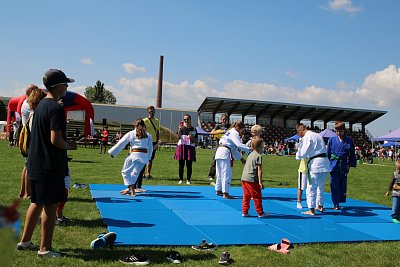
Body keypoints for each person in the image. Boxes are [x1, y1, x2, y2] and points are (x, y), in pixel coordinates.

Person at [17, 69, 77, 257]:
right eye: (66, 84)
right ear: (58, 86)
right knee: (50, 207)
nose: (67, 87)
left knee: (36, 203)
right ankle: (45, 249)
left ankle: (25, 241)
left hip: (35, 163)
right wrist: (70, 146)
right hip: (49, 165)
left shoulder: (40, 105)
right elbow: (55, 140)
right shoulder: (57, 108)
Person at [108, 118, 153, 196]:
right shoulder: (148, 135)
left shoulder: (131, 133)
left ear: (135, 125)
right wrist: (148, 159)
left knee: (125, 172)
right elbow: (150, 148)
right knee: (135, 174)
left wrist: (113, 152)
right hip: (144, 157)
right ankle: (130, 189)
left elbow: (121, 143)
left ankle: (132, 190)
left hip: (135, 155)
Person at [295, 123, 330, 216]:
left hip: (316, 164)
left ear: (300, 131)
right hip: (325, 163)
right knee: (321, 186)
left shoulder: (307, 136)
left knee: (311, 187)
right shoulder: (318, 135)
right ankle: (320, 205)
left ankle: (311, 210)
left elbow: (303, 153)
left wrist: (298, 152)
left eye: (299, 134)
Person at [215, 121, 251, 199]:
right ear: (239, 128)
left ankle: (218, 189)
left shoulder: (229, 132)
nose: (242, 132)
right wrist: (251, 149)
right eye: (242, 130)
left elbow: (234, 149)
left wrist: (241, 158)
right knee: (226, 173)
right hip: (224, 152)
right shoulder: (234, 133)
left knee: (220, 172)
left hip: (219, 151)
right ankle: (225, 193)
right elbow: (239, 145)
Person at [327, 121, 356, 210]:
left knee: (342, 184)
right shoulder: (331, 140)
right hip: (333, 164)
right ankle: (336, 204)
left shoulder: (349, 141)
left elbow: (352, 154)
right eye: (337, 131)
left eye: (340, 131)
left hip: (343, 164)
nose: (338, 133)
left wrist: (349, 165)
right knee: (333, 184)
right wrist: (327, 164)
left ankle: (340, 200)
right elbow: (328, 153)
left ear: (344, 130)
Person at [18, 84, 39, 199]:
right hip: (30, 137)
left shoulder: (25, 103)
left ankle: (23, 192)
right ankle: (27, 193)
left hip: (27, 136)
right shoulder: (28, 104)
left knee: (26, 166)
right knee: (29, 166)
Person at [241, 136, 268, 218]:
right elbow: (259, 169)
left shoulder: (250, 154)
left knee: (246, 195)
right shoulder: (258, 156)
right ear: (261, 146)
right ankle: (260, 213)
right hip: (252, 179)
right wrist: (260, 181)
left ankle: (244, 211)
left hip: (244, 178)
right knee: (257, 196)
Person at [174, 114, 198, 185]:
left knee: (189, 165)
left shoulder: (193, 129)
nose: (186, 121)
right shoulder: (181, 128)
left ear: (190, 120)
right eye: (185, 119)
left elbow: (196, 141)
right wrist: (179, 129)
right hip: (182, 147)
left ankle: (188, 179)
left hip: (190, 148)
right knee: (181, 164)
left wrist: (191, 138)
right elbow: (178, 137)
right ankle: (181, 179)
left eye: (187, 119)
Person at [207, 114, 230, 181]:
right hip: (219, 144)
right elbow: (211, 132)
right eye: (223, 119)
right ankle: (211, 175)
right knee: (215, 159)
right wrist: (221, 131)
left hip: (227, 145)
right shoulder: (218, 126)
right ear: (220, 120)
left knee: (227, 161)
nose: (224, 121)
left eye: (225, 119)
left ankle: (224, 175)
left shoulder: (229, 127)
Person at [143, 106, 160, 179]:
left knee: (151, 158)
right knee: (143, 158)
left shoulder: (157, 121)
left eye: (153, 111)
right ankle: (142, 174)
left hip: (154, 142)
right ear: (148, 112)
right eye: (150, 112)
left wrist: (157, 140)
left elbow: (157, 131)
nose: (152, 113)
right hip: (146, 142)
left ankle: (148, 174)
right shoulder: (144, 121)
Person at [386, 159, 400, 223]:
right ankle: (394, 217)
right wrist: (388, 191)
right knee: (395, 205)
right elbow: (391, 183)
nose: (398, 170)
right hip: (396, 193)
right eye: (397, 168)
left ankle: (398, 216)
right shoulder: (395, 174)